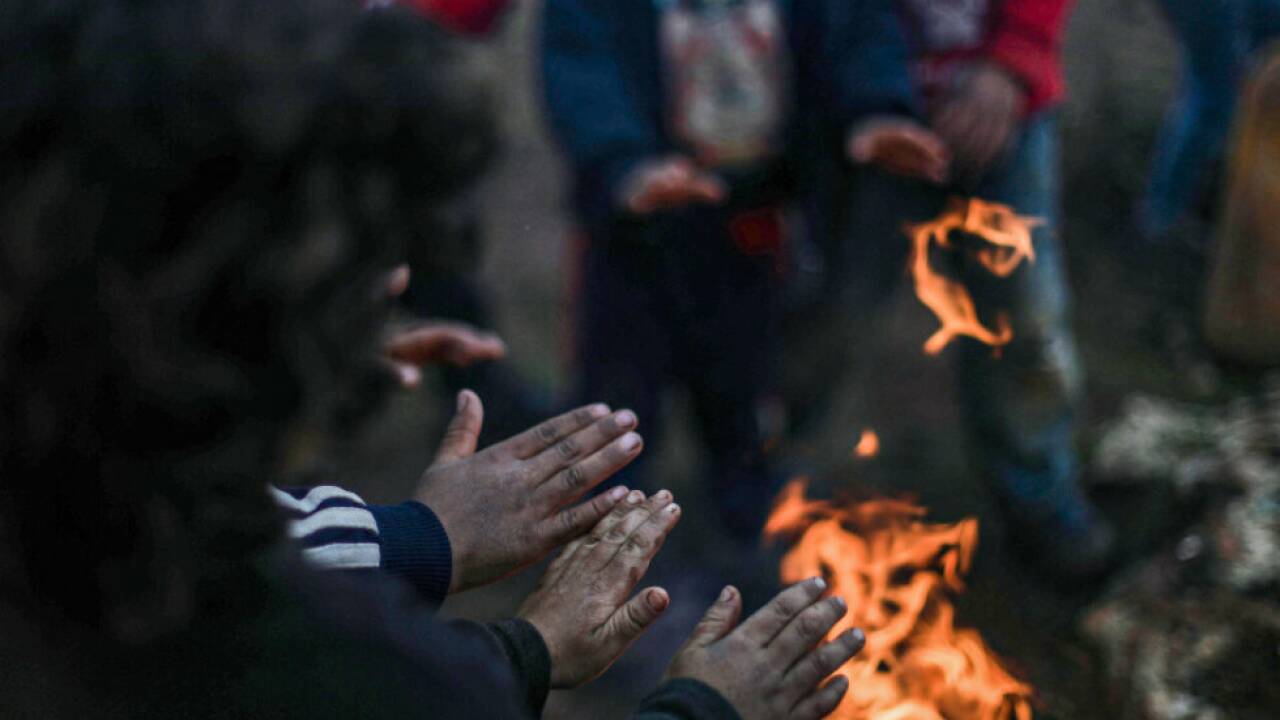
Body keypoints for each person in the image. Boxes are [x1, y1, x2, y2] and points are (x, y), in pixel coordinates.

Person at [0, 1, 868, 717]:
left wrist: (418, 541)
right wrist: (704, 711)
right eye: (355, 282)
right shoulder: (338, 666)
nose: (393, 298)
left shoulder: (72, 517)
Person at [541, 0, 949, 549]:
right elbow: (581, 65)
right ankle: (596, 546)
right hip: (633, 231)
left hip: (751, 228)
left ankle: (745, 531)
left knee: (744, 393)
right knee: (615, 407)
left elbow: (857, 30)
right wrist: (622, 162)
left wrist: (875, 109)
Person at [809, 0, 1115, 580]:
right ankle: (780, 491)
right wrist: (873, 95)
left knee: (1023, 316)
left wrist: (1014, 56)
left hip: (1005, 113)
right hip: (855, 106)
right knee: (833, 312)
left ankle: (1038, 496)